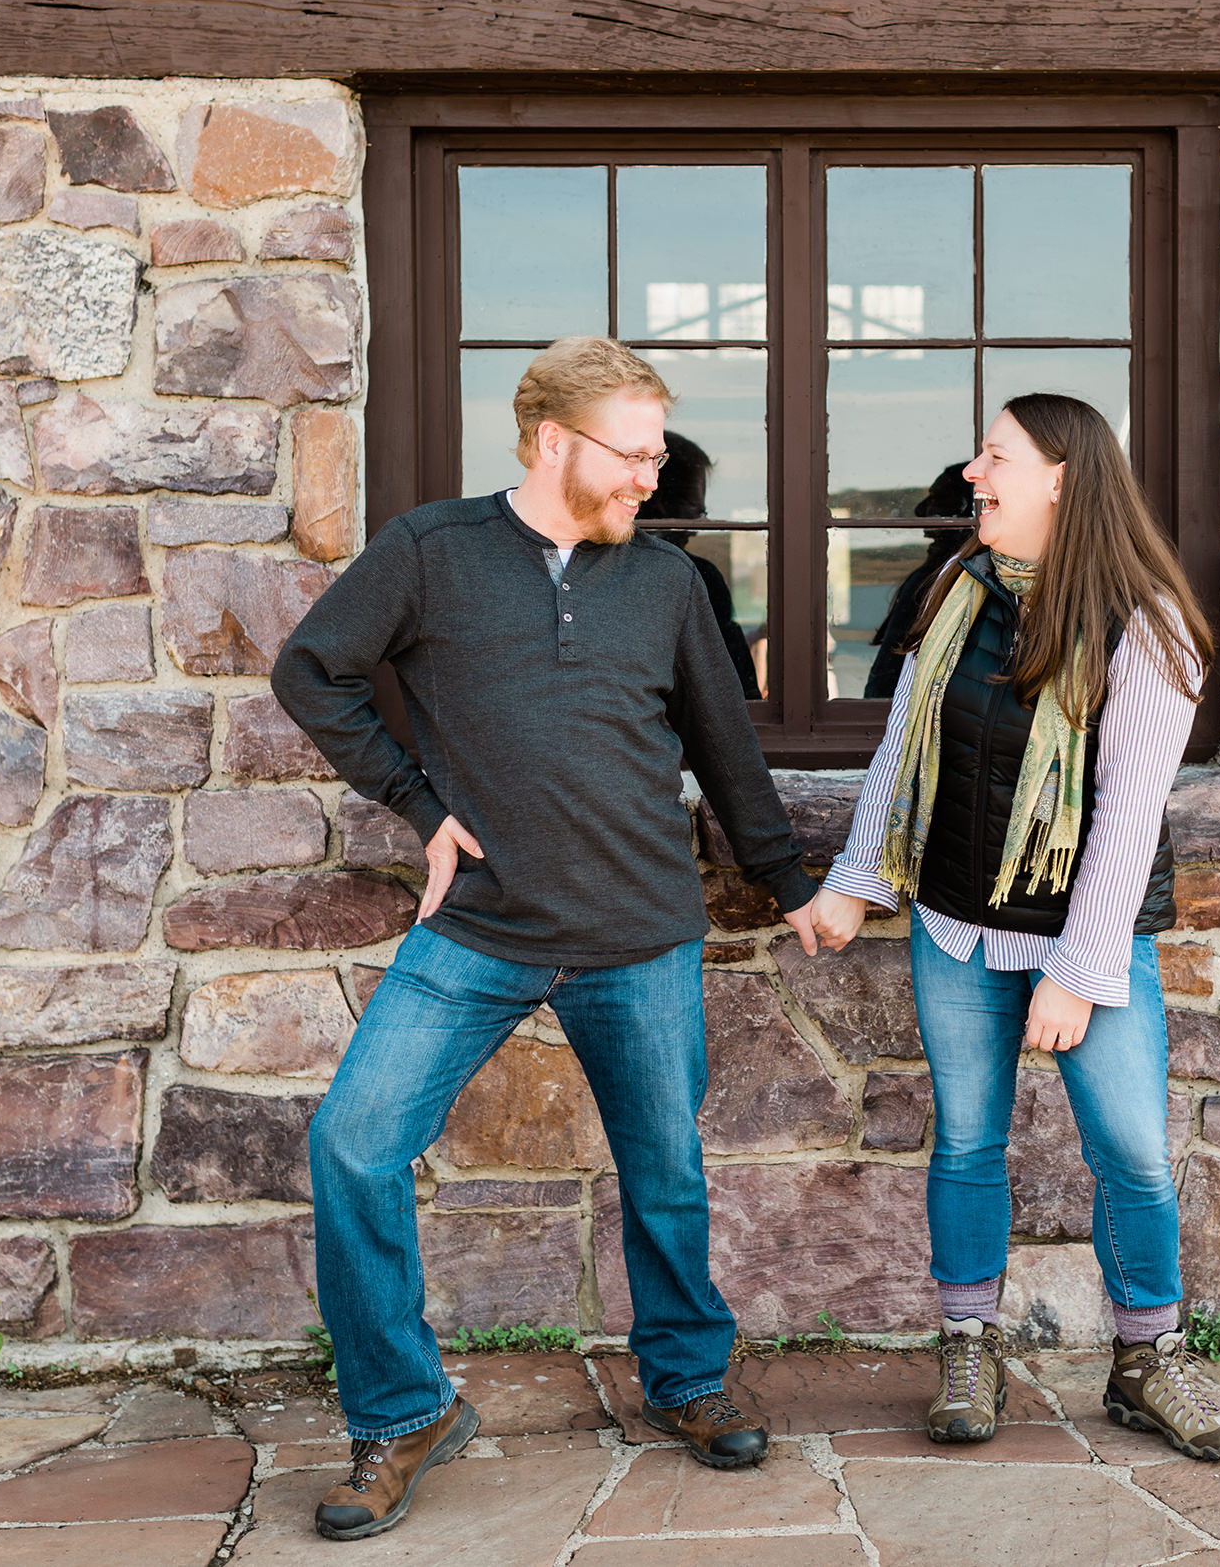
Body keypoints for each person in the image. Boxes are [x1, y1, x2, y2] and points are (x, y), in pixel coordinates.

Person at [271, 337, 820, 1540]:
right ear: (553, 441)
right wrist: (423, 807)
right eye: (633, 453)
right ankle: (402, 1410)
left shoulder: (666, 582)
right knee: (354, 1142)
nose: (653, 476)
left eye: (659, 452)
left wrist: (788, 884)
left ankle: (684, 1378)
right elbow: (313, 671)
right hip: (482, 926)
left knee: (664, 1169)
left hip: (641, 931)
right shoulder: (430, 550)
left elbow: (727, 745)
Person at [802, 394, 1220, 1461]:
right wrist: (855, 879)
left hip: (1078, 940)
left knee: (1132, 1151)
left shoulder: (1148, 625)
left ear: (1059, 476)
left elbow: (1129, 818)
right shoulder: (955, 589)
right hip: (954, 923)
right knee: (965, 1141)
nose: (971, 472)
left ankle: (1148, 1357)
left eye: (994, 456)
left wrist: (1079, 971)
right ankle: (967, 1344)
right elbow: (903, 749)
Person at [639, 429, 761, 697]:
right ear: (661, 502)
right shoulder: (698, 576)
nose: (695, 529)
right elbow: (739, 685)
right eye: (695, 511)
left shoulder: (586, 568)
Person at [863, 464, 976, 699]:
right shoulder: (934, 577)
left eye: (939, 499)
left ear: (967, 513)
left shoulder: (951, 579)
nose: (921, 510)